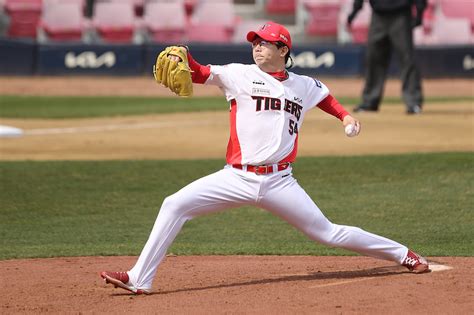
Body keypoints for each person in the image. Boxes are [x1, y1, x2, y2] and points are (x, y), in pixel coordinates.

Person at [100, 21, 429, 295]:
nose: (257, 47)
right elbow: (199, 72)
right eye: (254, 42)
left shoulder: (303, 85)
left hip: (279, 182)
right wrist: (185, 54)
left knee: (328, 233)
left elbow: (326, 97)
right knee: (174, 204)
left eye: (265, 43)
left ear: (283, 50)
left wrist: (345, 117)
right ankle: (139, 278)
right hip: (235, 178)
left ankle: (404, 254)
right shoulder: (238, 74)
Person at [347, 0, 427, 114]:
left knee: (407, 59)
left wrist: (419, 11)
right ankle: (369, 101)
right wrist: (355, 10)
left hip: (401, 14)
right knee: (373, 58)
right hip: (378, 14)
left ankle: (413, 102)